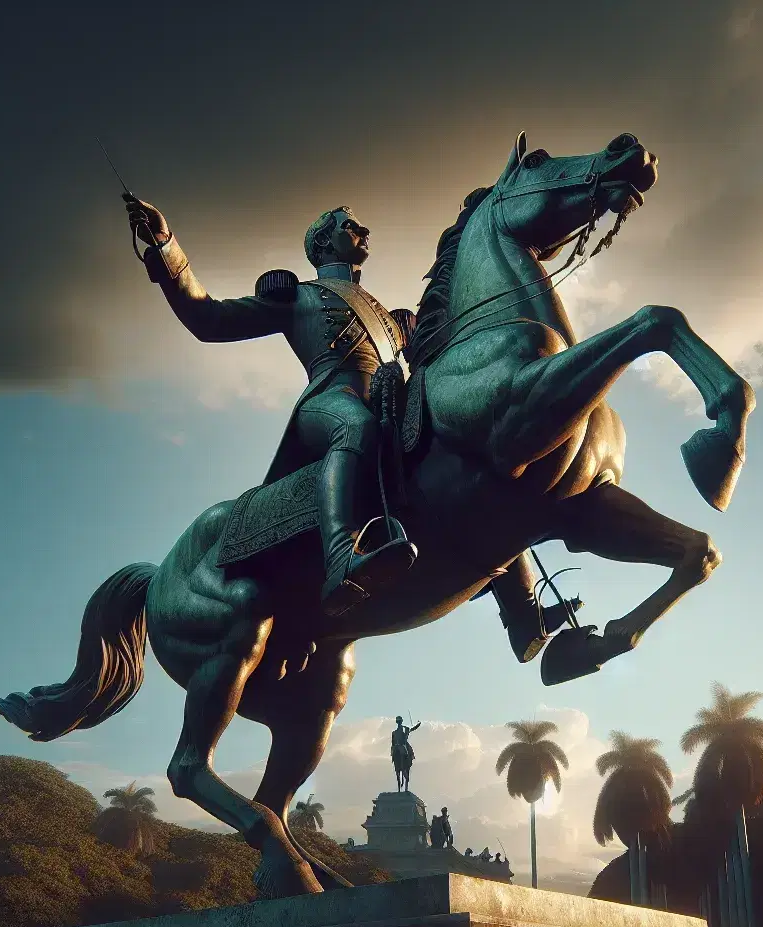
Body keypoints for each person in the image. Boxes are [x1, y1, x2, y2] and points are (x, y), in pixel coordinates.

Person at [125, 196, 583, 649]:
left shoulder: (387, 317)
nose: (363, 233)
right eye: (350, 226)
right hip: (330, 401)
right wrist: (166, 248)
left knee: (476, 458)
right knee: (354, 427)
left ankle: (523, 614)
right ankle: (342, 555)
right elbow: (209, 318)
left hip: (390, 405)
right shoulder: (298, 295)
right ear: (323, 243)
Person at [390, 716, 421, 792]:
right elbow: (395, 742)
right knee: (407, 751)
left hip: (398, 747)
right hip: (400, 747)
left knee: (406, 750)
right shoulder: (401, 730)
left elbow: (394, 743)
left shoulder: (401, 730)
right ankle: (405, 763)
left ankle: (401, 764)